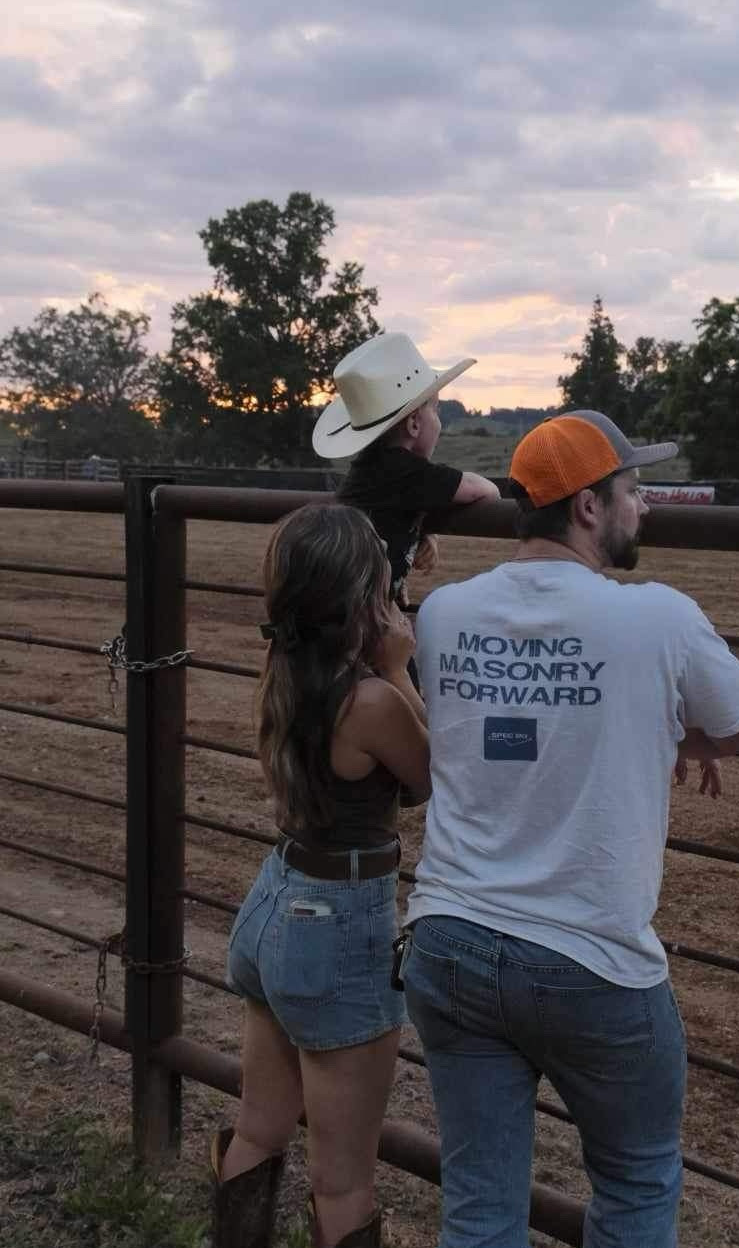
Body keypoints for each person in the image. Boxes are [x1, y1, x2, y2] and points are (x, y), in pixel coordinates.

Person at [401, 410, 739, 1248]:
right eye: (632, 491)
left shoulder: (446, 613)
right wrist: (673, 727)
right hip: (591, 962)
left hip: (449, 940)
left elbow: (508, 721)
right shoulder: (658, 617)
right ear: (588, 509)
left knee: (479, 1202)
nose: (644, 508)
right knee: (637, 1183)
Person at [211, 502, 431, 1248]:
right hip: (337, 929)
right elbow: (431, 778)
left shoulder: (286, 669)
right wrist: (400, 664)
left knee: (260, 1128)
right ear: (363, 596)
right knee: (343, 1180)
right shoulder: (369, 699)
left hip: (275, 905)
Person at [313, 332, 500, 605]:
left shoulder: (372, 468)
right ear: (414, 424)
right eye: (435, 410)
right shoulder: (406, 472)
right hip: (361, 618)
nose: (440, 422)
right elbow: (486, 491)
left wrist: (424, 528)